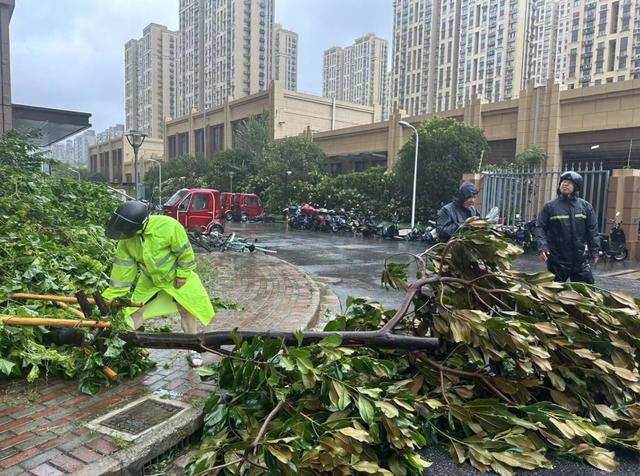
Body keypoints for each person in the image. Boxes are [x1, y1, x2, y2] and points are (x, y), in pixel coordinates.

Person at [102, 201, 215, 367]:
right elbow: (122, 273)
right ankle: (133, 348)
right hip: (150, 279)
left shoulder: (169, 226)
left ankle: (193, 349)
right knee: (134, 309)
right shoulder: (126, 240)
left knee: (187, 310)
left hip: (176, 276)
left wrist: (182, 275)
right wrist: (111, 296)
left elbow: (185, 253)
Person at [534, 171, 599, 284]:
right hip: (557, 259)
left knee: (587, 291)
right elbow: (540, 227)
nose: (565, 184)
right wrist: (542, 247)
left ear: (576, 186)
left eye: (569, 183)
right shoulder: (550, 206)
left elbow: (592, 231)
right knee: (554, 292)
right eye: (563, 182)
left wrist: (595, 251)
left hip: (579, 259)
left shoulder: (585, 207)